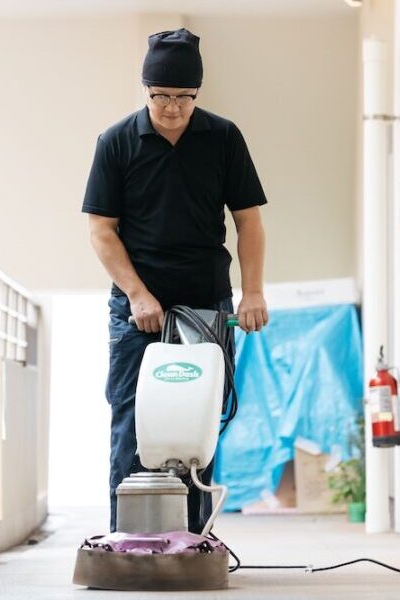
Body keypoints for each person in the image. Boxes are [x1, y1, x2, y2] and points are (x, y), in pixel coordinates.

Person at [82, 28, 269, 533]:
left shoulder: (223, 137)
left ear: (197, 94)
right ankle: (129, 538)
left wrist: (252, 292)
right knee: (132, 420)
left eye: (183, 97)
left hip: (206, 303)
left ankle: (192, 538)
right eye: (160, 96)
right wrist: (138, 294)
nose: (171, 108)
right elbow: (101, 231)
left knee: (199, 421)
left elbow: (248, 220)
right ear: (145, 92)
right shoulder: (117, 142)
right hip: (137, 309)